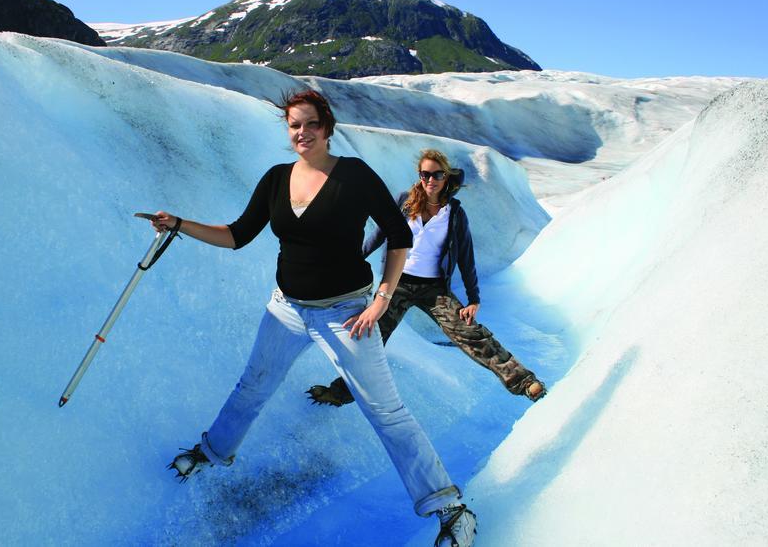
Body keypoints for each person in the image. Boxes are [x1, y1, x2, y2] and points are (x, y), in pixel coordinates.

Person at [150, 92, 476, 547]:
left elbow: (399, 236)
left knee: (385, 411)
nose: (301, 133)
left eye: (310, 124)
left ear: (327, 127)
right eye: (293, 126)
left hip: (347, 313)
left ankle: (451, 509)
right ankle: (212, 452)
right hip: (286, 308)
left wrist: (382, 298)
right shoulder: (276, 179)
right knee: (253, 385)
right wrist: (181, 224)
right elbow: (237, 235)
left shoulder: (355, 175)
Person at [307, 148, 546, 408]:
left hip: (434, 290)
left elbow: (466, 258)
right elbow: (378, 236)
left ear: (445, 178)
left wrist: (473, 299)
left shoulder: (454, 214)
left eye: (437, 175)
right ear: (419, 176)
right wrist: (353, 260)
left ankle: (524, 382)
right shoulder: (403, 202)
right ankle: (340, 392)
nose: (430, 180)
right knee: (371, 336)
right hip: (396, 284)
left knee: (471, 334)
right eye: (425, 174)